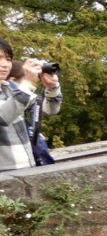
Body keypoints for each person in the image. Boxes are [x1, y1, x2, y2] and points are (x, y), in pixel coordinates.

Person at [0, 39, 61, 170]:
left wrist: (52, 88)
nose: (5, 64)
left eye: (8, 59)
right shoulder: (19, 89)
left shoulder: (11, 87)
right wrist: (27, 84)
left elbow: (48, 111)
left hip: (27, 166)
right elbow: (3, 117)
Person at [9, 60, 59, 165]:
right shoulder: (8, 99)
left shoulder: (24, 97)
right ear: (12, 81)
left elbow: (50, 110)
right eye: (26, 79)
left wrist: (53, 88)